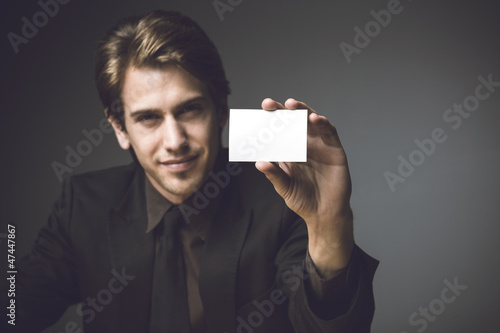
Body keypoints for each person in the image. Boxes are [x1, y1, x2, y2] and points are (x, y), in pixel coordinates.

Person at [9, 10, 378, 333]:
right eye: (148, 118)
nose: (174, 141)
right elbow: (14, 308)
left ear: (220, 111)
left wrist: (329, 225)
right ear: (120, 128)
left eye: (189, 110)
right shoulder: (82, 204)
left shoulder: (283, 196)